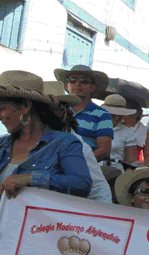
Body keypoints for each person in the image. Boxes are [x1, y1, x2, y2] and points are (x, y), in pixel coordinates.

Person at [0, 71, 92, 199]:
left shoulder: (64, 143)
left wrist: (30, 178)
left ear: (26, 106)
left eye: (2, 109)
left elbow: (82, 185)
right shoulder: (2, 144)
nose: (0, 117)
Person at [53, 64, 113, 162]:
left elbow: (104, 151)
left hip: (85, 168)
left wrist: (78, 164)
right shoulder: (56, 109)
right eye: (72, 80)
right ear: (67, 86)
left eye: (84, 81)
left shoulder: (102, 115)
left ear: (93, 87)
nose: (77, 84)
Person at [100, 94, 138, 168]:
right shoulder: (93, 128)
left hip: (117, 173)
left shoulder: (129, 132)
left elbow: (130, 161)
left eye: (120, 114)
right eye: (113, 114)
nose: (117, 117)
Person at [122, 99, 149, 166]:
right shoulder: (118, 127)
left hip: (136, 166)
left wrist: (142, 168)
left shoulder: (144, 130)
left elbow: (148, 155)